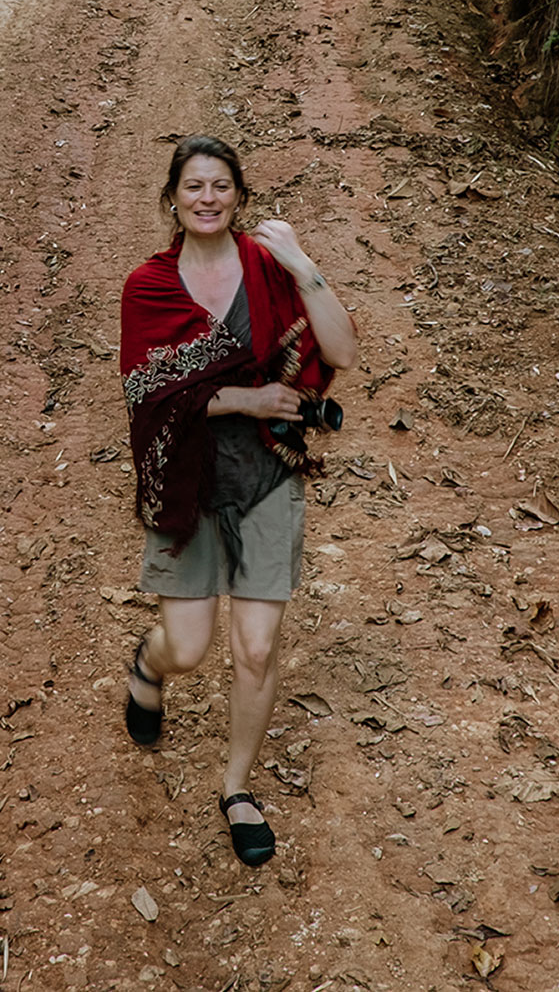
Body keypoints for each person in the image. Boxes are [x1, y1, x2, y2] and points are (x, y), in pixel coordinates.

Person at [117, 136, 356, 866]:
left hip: (267, 478)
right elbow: (145, 393)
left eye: (221, 185)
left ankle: (237, 787)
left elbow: (340, 352)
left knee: (255, 647)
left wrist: (304, 264)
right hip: (187, 483)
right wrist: (248, 396)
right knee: (187, 648)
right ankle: (147, 668)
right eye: (194, 185)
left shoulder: (268, 269)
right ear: (173, 199)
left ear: (240, 197)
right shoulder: (149, 286)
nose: (208, 196)